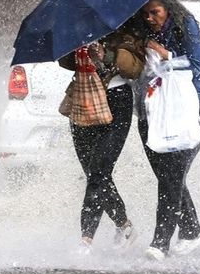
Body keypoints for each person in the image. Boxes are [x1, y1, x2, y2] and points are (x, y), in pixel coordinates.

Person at [134, 0, 200, 261]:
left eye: (155, 12)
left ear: (168, 8)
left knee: (173, 175)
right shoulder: (140, 34)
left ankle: (160, 242)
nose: (151, 19)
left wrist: (166, 56)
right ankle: (191, 230)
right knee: (166, 175)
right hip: (150, 108)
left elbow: (196, 63)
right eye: (145, 15)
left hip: (185, 107)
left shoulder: (185, 24)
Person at [58, 19, 146, 254]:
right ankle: (125, 225)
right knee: (92, 173)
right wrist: (74, 47)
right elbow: (64, 62)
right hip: (83, 98)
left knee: (99, 171)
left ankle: (86, 239)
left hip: (117, 102)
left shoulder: (128, 29)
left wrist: (105, 54)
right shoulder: (78, 28)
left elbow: (135, 69)